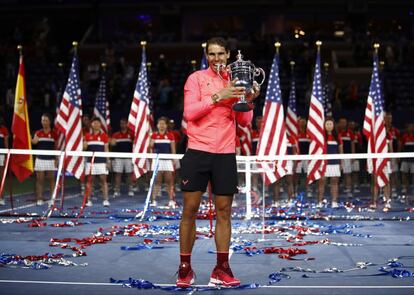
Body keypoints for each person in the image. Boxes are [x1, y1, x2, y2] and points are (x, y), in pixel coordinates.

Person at [176, 37, 259, 288]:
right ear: (206, 55)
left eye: (221, 54)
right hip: (197, 152)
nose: (216, 59)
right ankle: (184, 268)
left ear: (228, 54)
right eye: (212, 54)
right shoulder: (196, 79)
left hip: (225, 154)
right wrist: (218, 96)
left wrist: (249, 99)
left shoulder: (235, 79)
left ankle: (222, 268)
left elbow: (244, 122)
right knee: (189, 210)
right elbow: (189, 114)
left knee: (224, 213)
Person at [149, 116, 177, 208]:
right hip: (157, 161)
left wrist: (174, 160)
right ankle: (154, 200)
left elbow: (173, 149)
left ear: (166, 125)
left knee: (169, 181)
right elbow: (150, 147)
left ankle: (171, 200)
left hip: (168, 161)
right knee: (157, 181)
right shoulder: (153, 135)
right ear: (157, 125)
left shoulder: (170, 135)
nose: (162, 126)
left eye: (163, 124)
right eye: (160, 124)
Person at [31, 113, 58, 206]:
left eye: (46, 120)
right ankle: (39, 198)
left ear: (50, 122)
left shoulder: (54, 133)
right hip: (40, 159)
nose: (44, 122)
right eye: (43, 120)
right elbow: (34, 142)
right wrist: (25, 135)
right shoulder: (38, 133)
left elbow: (56, 147)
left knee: (51, 180)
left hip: (51, 160)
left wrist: (56, 159)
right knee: (40, 180)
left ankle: (52, 199)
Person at [83, 117, 110, 207]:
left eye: (98, 123)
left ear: (100, 125)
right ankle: (88, 200)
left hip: (101, 162)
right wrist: (84, 143)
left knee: (103, 180)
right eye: (94, 123)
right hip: (90, 162)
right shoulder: (87, 136)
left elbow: (106, 149)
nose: (96, 124)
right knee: (90, 181)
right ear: (92, 124)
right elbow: (84, 149)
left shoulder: (104, 136)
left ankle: (106, 200)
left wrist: (108, 160)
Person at [318, 118, 342, 208]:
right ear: (324, 125)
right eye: (327, 124)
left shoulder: (337, 136)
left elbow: (340, 151)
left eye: (330, 124)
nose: (329, 126)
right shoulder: (321, 136)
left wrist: (341, 162)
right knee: (322, 182)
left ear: (333, 125)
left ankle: (334, 201)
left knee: (334, 182)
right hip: (323, 163)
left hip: (335, 162)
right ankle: (320, 201)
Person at [110, 118, 134, 198]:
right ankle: (117, 190)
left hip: (129, 157)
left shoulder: (131, 134)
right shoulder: (116, 135)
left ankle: (130, 189)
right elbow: (112, 145)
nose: (123, 125)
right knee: (118, 174)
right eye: (121, 123)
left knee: (129, 174)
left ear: (127, 124)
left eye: (124, 123)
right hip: (118, 158)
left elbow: (135, 145)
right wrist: (111, 142)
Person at [337, 117, 354, 197]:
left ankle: (348, 189)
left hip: (347, 156)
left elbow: (352, 144)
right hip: (337, 156)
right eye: (341, 122)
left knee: (347, 174)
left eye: (344, 122)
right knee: (336, 175)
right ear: (339, 123)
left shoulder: (350, 133)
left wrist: (353, 155)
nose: (343, 124)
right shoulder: (336, 133)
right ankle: (336, 190)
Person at [0, 117, 9, 206]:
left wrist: (6, 154)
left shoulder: (4, 129)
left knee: (1, 177)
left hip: (1, 154)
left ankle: (1, 197)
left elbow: (6, 142)